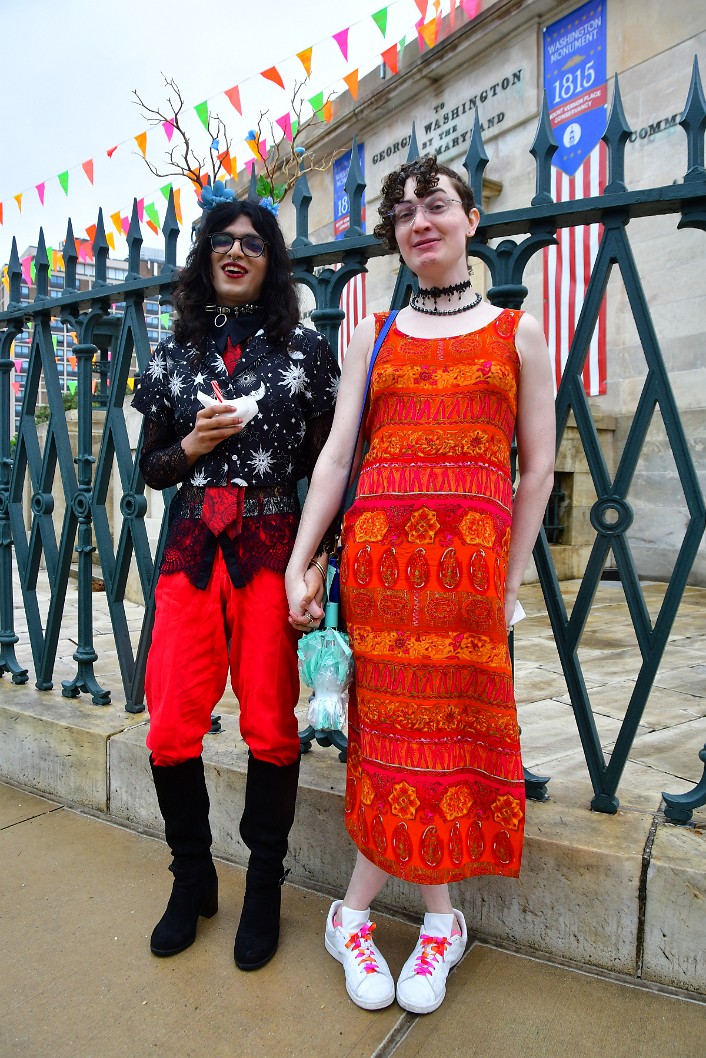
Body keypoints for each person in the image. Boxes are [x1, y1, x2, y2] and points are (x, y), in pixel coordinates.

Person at [285, 156, 555, 1014]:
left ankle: (381, 919)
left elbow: (539, 470)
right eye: (402, 214)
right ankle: (418, 924)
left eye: (435, 205)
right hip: (382, 580)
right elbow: (337, 457)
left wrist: (509, 582)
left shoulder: (519, 333)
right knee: (391, 745)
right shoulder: (375, 335)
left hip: (468, 587)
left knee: (453, 744)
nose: (418, 223)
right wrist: (303, 556)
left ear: (472, 218)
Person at [131, 190, 339, 971]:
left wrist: (319, 558)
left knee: (271, 728)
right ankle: (192, 878)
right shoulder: (172, 356)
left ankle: (261, 884)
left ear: (272, 260)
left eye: (254, 242)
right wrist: (189, 445)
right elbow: (151, 468)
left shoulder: (308, 352)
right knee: (171, 725)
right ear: (205, 253)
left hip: (274, 549)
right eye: (224, 239)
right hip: (191, 549)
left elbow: (331, 468)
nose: (238, 251)